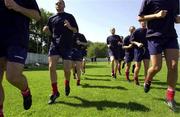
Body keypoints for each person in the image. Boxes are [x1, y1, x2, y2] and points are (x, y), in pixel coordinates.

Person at [0, 0, 41, 116]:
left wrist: (17, 7)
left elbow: (37, 16)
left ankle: (26, 91)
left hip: (17, 39)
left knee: (12, 76)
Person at [138, 0, 180, 111]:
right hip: (154, 36)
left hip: (171, 36)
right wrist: (156, 15)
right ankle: (148, 80)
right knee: (156, 67)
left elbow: (176, 18)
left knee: (173, 66)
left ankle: (170, 98)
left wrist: (178, 19)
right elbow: (140, 18)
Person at [43, 0, 78, 104]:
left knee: (67, 70)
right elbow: (49, 32)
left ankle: (67, 83)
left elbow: (76, 30)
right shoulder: (51, 18)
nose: (58, 5)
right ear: (55, 6)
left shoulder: (69, 16)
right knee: (51, 67)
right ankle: (55, 92)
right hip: (54, 45)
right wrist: (46, 30)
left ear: (64, 5)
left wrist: (69, 27)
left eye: (60, 3)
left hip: (67, 46)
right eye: (57, 3)